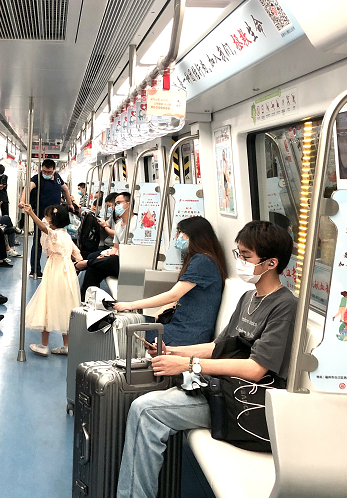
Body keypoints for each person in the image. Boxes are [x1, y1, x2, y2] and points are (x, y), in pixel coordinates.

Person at [116, 220, 297, 498]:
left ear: (271, 263)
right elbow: (217, 347)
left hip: (246, 401)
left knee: (145, 411)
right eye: (238, 254)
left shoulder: (284, 305)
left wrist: (189, 364)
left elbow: (255, 369)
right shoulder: (248, 298)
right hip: (223, 388)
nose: (240, 262)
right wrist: (172, 352)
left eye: (246, 256)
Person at [114, 216, 227, 346]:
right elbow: (177, 300)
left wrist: (131, 305)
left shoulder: (202, 261)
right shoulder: (203, 260)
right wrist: (154, 317)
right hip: (181, 327)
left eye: (181, 233)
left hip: (186, 334)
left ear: (195, 236)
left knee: (122, 328)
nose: (177, 237)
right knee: (129, 322)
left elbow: (173, 295)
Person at [20, 203, 82, 357]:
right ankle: (66, 345)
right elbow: (77, 253)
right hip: (67, 272)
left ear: (53, 219)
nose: (45, 220)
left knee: (47, 304)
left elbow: (44, 229)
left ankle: (44, 345)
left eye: (47, 217)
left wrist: (31, 213)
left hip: (55, 270)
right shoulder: (66, 235)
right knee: (65, 306)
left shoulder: (56, 234)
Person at [20, 159, 74, 278]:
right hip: (42, 215)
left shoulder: (58, 178)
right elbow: (27, 188)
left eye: (49, 172)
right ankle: (35, 270)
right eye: (44, 171)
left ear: (54, 170)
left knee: (58, 241)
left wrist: (70, 204)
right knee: (38, 242)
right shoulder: (37, 178)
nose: (46, 174)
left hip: (56, 216)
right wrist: (22, 201)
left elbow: (65, 190)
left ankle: (59, 269)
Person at [80, 192, 136, 300]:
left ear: (128, 204)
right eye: (115, 204)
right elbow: (115, 247)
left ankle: (84, 263)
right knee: (94, 268)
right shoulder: (119, 225)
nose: (116, 206)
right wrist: (106, 255)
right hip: (118, 260)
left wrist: (110, 257)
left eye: (119, 203)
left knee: (110, 260)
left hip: (130, 261)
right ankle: (86, 300)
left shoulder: (137, 223)